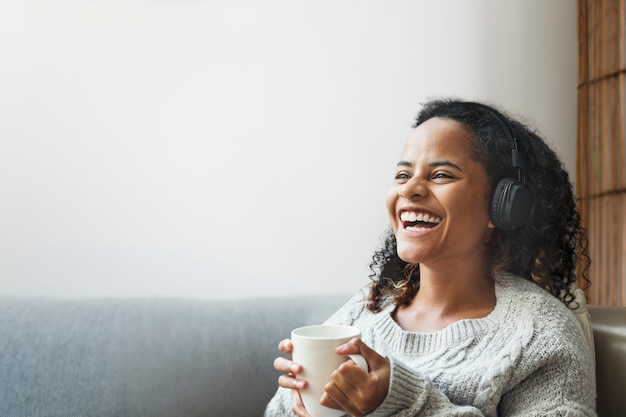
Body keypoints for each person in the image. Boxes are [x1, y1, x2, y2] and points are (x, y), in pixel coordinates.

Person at [265, 98, 596, 416]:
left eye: (441, 175)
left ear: (502, 206)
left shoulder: (539, 334)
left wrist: (397, 401)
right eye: (402, 175)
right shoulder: (366, 310)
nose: (409, 190)